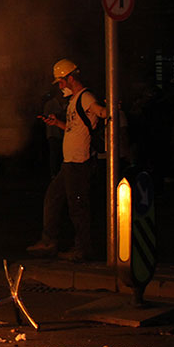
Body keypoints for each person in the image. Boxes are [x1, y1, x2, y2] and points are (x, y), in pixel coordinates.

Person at [28, 59, 108, 262]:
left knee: (78, 207)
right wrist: (57, 123)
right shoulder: (74, 100)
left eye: (61, 81)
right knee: (53, 197)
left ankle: (82, 249)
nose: (60, 86)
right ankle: (49, 241)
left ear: (70, 78)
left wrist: (109, 109)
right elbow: (74, 128)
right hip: (69, 162)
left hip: (80, 163)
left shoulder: (85, 97)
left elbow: (101, 112)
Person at [42, 92, 68, 178]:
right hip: (53, 133)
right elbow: (47, 116)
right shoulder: (50, 104)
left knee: (62, 154)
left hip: (63, 133)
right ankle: (54, 173)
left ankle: (61, 173)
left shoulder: (66, 104)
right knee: (54, 153)